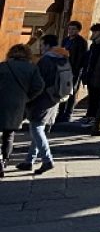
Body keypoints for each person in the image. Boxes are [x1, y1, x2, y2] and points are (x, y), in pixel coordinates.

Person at [16, 35, 69, 175]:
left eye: (42, 44)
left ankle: (47, 160)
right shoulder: (63, 58)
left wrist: (29, 98)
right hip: (55, 98)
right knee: (39, 129)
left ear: (46, 45)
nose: (40, 47)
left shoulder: (46, 60)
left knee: (37, 128)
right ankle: (29, 161)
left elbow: (38, 82)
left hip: (43, 99)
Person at [1, 43, 45, 177]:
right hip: (17, 105)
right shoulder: (32, 68)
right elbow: (39, 86)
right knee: (9, 134)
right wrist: (26, 98)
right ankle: (5, 160)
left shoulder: (3, 66)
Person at [56, 20, 89, 123]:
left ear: (78, 30)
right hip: (64, 68)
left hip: (74, 70)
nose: (71, 31)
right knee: (63, 91)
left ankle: (68, 114)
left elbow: (81, 58)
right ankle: (60, 113)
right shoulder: (66, 40)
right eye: (70, 29)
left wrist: (76, 70)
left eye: (73, 29)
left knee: (72, 93)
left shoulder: (81, 42)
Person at [79, 23, 100, 127]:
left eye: (95, 32)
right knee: (92, 96)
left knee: (97, 97)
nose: (93, 34)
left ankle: (94, 118)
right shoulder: (94, 44)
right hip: (91, 74)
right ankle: (89, 115)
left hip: (98, 75)